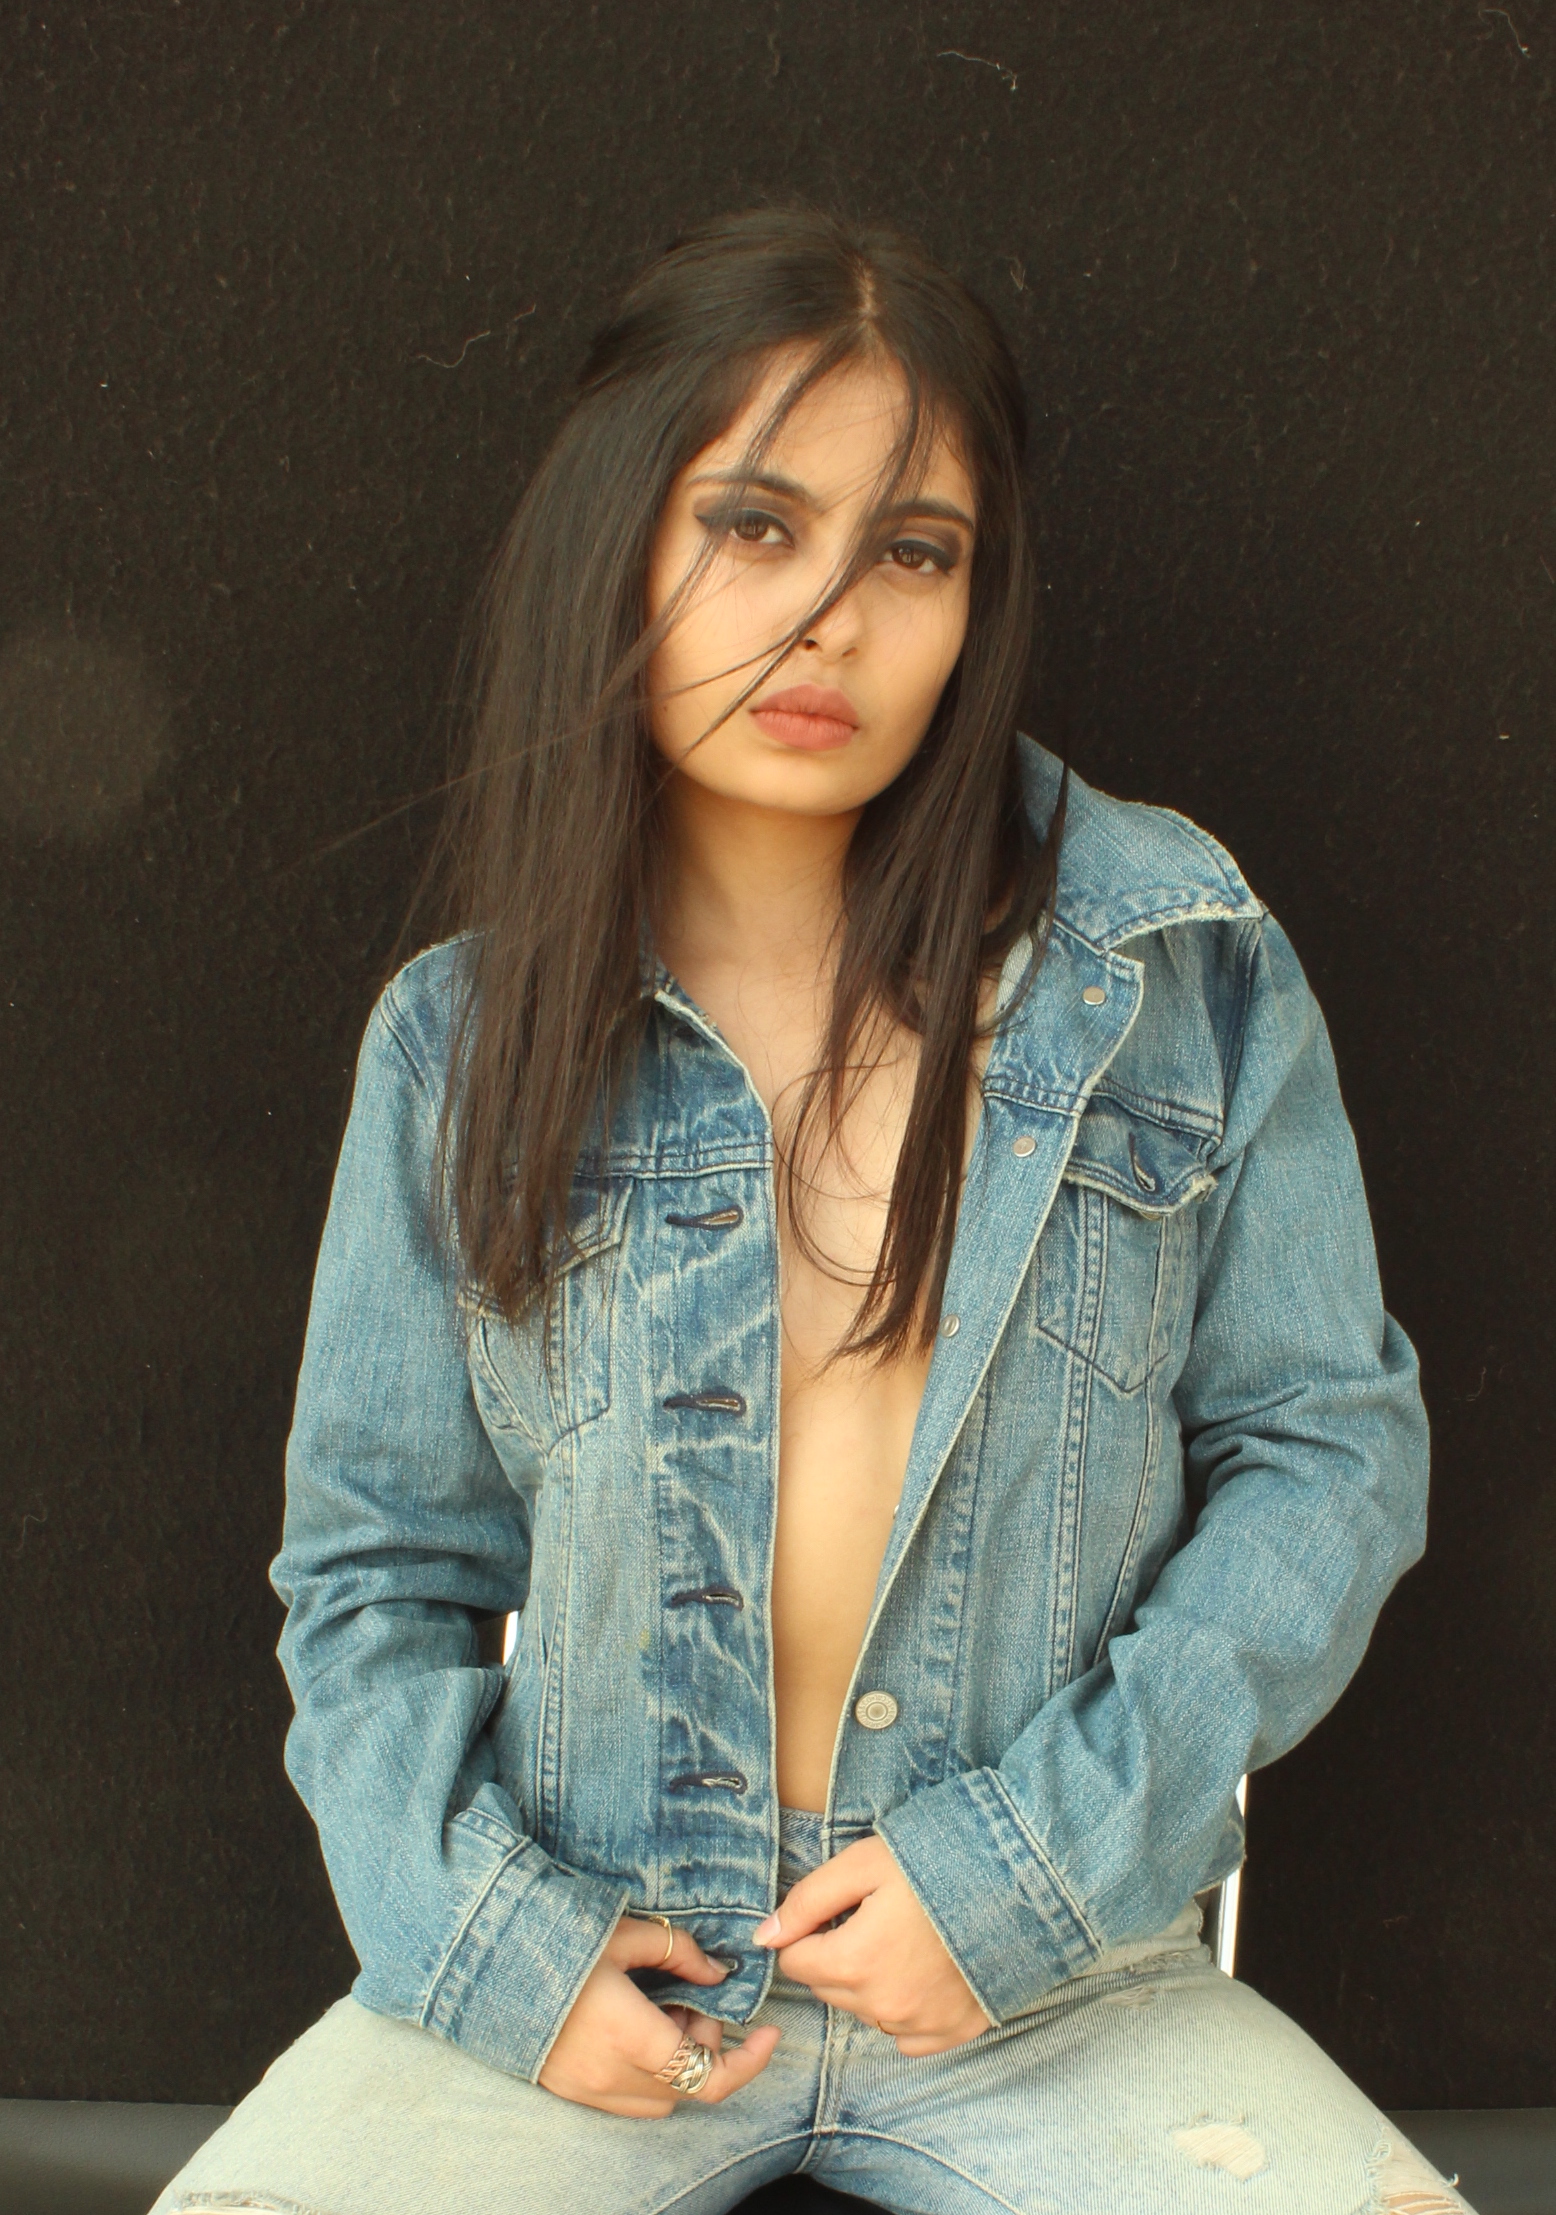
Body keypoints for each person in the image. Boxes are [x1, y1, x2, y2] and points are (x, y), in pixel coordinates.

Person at [151, 206, 1472, 2215]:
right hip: (592, 1963)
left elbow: (1330, 1455)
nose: (831, 618)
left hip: (1065, 1980)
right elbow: (373, 1575)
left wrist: (1024, 1877)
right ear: (618, 538)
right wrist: (499, 1953)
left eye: (914, 552)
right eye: (755, 525)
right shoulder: (460, 1043)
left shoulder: (1175, 967)